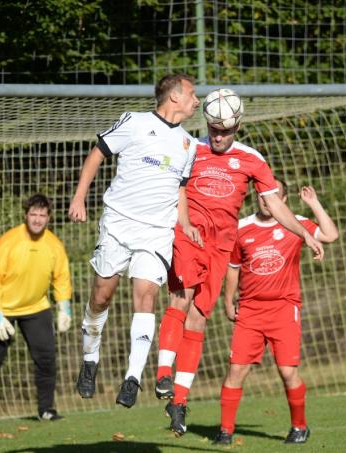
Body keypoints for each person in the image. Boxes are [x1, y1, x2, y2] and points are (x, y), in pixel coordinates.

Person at [154, 89, 325, 436]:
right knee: (182, 296)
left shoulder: (252, 160)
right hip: (189, 234)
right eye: (213, 128)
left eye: (225, 130)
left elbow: (275, 205)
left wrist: (305, 234)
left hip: (221, 247)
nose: (218, 136)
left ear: (238, 127)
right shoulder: (189, 147)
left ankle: (180, 401)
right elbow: (163, 183)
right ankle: (162, 375)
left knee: (200, 317)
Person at [68, 73, 202, 409]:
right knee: (102, 295)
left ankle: (132, 377)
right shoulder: (135, 122)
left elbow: (181, 190)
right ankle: (90, 358)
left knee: (146, 297)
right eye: (192, 94)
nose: (197, 101)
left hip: (156, 232)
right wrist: (79, 197)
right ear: (174, 96)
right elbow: (98, 152)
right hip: (118, 224)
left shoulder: (189, 144)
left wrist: (183, 222)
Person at [212, 181, 339, 445]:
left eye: (272, 197)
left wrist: (314, 203)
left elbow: (331, 235)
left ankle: (299, 427)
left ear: (282, 199)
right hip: (249, 311)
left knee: (287, 372)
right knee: (235, 371)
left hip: (284, 309)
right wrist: (227, 300)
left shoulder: (295, 224)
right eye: (262, 196)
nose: (266, 201)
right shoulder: (242, 228)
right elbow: (233, 267)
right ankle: (225, 432)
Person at [0, 194, 73, 427]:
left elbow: (61, 277)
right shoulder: (8, 242)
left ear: (49, 218)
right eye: (33, 214)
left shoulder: (54, 244)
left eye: (42, 215)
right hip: (2, 311)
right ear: (25, 215)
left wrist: (64, 306)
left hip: (36, 308)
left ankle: (46, 410)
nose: (37, 219)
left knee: (46, 360)